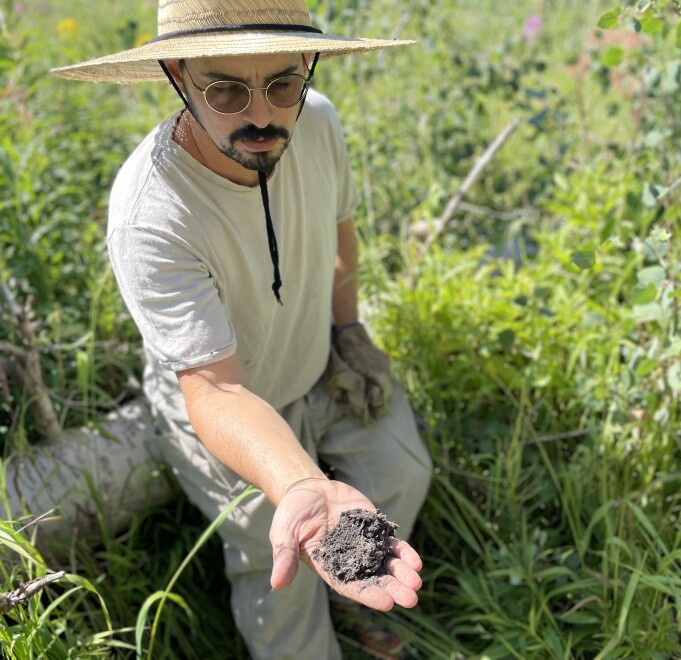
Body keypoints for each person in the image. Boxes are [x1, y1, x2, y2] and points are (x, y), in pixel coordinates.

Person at [53, 1, 433, 658]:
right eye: (225, 89)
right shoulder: (153, 213)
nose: (261, 114)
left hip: (319, 360)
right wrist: (300, 483)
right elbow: (216, 392)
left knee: (402, 470)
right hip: (229, 412)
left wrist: (350, 335)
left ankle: (368, 609)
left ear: (308, 68)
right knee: (277, 566)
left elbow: (343, 242)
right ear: (177, 73)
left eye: (283, 84)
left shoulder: (317, 124)